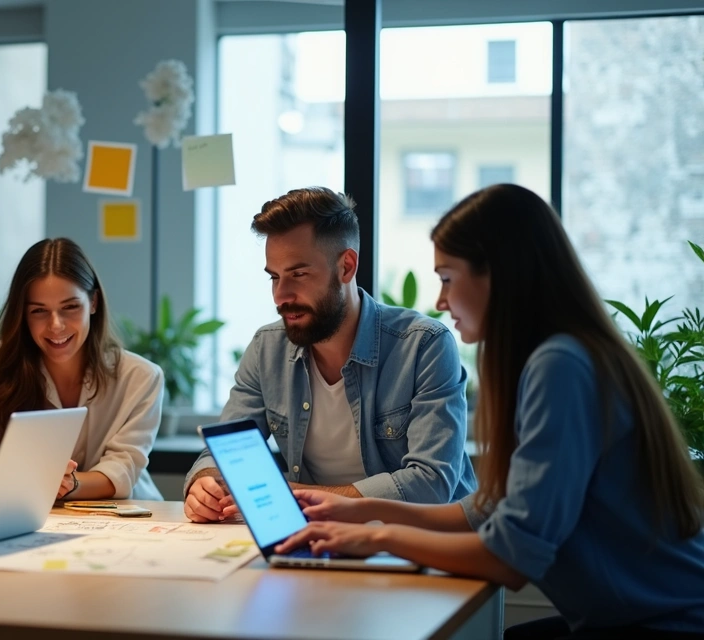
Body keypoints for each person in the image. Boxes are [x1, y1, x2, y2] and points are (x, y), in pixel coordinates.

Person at [281, 184, 704, 639]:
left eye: (447, 277)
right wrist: (362, 512)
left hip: (670, 624)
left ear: (497, 275)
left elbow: (512, 555)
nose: (441, 302)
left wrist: (377, 537)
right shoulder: (560, 354)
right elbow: (488, 513)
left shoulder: (559, 365)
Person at [184, 187, 476, 523]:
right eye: (274, 277)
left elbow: (431, 483)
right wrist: (204, 482)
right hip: (322, 536)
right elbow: (226, 452)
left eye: (298, 274)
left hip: (423, 542)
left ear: (346, 267)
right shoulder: (267, 348)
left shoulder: (423, 345)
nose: (281, 296)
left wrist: (298, 497)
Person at [0, 238, 164, 500]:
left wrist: (65, 484)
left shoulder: (141, 377)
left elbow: (123, 470)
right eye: (39, 311)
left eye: (70, 307)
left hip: (129, 520)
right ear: (22, 313)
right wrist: (31, 484)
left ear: (93, 302)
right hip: (22, 514)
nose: (56, 326)